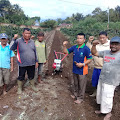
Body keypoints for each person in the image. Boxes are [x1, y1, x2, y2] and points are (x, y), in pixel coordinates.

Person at [91, 36, 120, 120]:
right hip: (102, 78)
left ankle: (108, 113)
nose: (114, 46)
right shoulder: (106, 52)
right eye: (112, 44)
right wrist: (93, 45)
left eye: (116, 44)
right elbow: (94, 53)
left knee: (107, 97)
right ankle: (102, 110)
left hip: (112, 81)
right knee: (100, 95)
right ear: (109, 45)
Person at [63, 33, 92, 104]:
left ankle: (80, 98)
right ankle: (75, 94)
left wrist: (83, 64)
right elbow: (66, 52)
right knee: (76, 83)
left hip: (82, 70)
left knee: (81, 85)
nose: (79, 40)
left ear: (84, 40)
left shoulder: (86, 49)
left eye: (81, 38)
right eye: (78, 38)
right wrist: (64, 46)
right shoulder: (75, 47)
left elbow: (90, 59)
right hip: (75, 69)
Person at [10, 28, 38, 94]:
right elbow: (11, 48)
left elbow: (35, 52)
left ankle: (32, 86)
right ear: (23, 34)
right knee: (21, 76)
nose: (28, 35)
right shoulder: (18, 41)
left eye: (29, 33)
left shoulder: (32, 42)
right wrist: (13, 39)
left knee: (31, 75)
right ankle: (19, 88)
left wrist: (36, 61)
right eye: (26, 33)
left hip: (31, 63)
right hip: (22, 63)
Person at [86, 31, 110, 97]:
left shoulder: (110, 45)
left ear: (107, 37)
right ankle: (95, 92)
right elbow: (90, 49)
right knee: (95, 81)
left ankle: (103, 95)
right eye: (100, 38)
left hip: (105, 68)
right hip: (96, 67)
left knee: (104, 83)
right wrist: (89, 42)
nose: (102, 39)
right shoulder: (97, 44)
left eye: (103, 38)